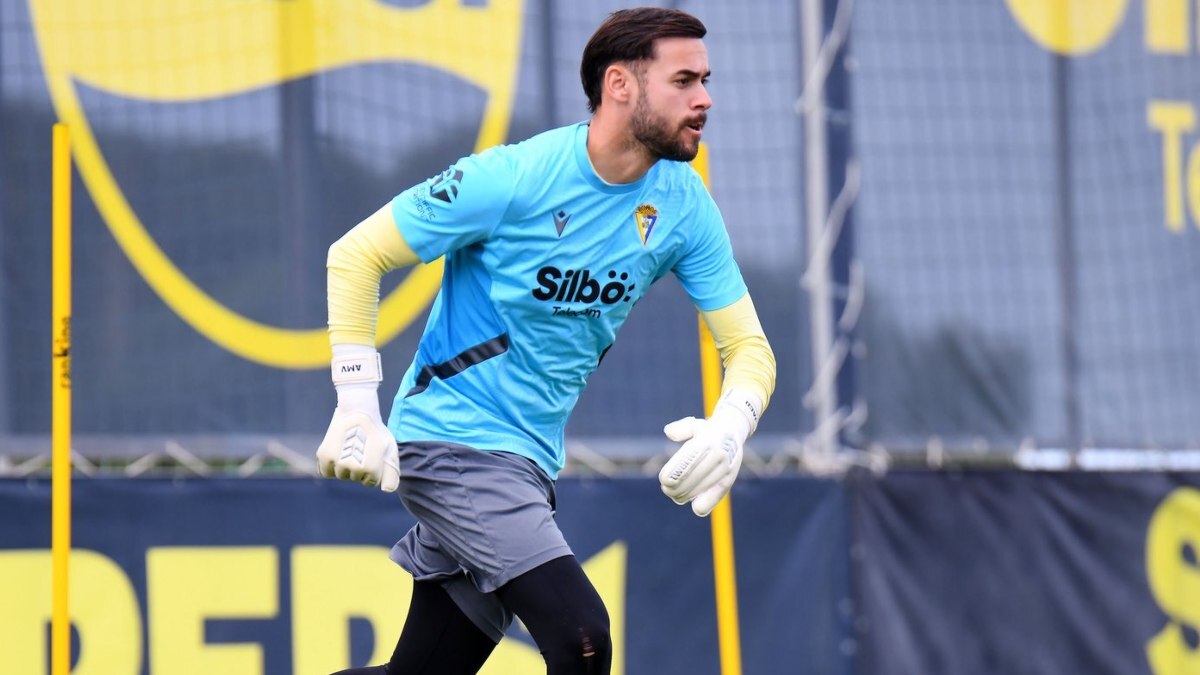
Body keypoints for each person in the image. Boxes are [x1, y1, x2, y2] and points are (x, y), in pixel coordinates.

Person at [315, 7, 776, 674]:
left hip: (527, 462)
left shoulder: (685, 205)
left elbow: (750, 350)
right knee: (582, 636)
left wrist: (733, 423)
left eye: (706, 79)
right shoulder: (515, 177)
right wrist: (357, 401)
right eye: (684, 80)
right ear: (620, 85)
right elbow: (355, 255)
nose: (705, 98)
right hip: (452, 443)